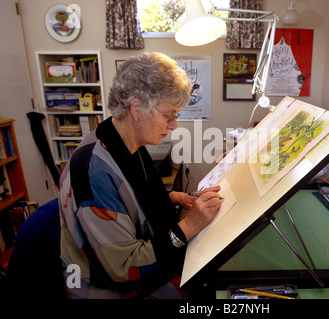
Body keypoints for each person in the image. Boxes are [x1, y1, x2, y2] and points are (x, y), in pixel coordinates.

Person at [58, 52, 222, 299]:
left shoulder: (126, 143)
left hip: (134, 274)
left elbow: (133, 201)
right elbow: (124, 267)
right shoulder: (92, 171)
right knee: (207, 292)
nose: (174, 124)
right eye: (169, 115)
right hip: (109, 289)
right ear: (136, 108)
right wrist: (189, 225)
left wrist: (173, 197)